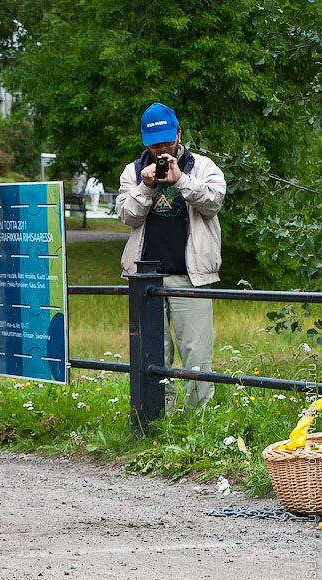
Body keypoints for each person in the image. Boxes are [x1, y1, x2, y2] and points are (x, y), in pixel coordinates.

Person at [116, 102, 226, 412]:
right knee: (153, 355)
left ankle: (199, 423)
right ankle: (155, 420)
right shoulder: (133, 172)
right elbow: (127, 216)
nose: (162, 150)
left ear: (179, 133)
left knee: (197, 355)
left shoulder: (203, 167)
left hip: (191, 275)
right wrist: (147, 185)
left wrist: (181, 181)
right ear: (145, 143)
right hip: (146, 277)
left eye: (167, 141)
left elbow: (213, 203)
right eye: (155, 144)